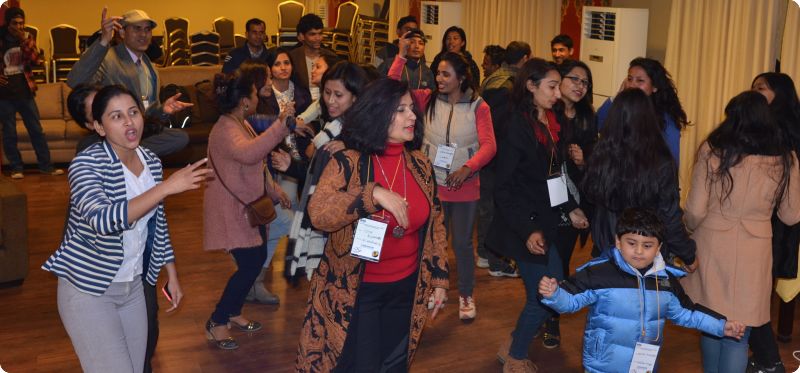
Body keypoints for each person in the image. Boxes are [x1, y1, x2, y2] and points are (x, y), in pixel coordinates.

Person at [42, 85, 208, 372]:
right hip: (88, 289)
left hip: (132, 287)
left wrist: (171, 273)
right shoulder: (86, 164)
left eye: (133, 112)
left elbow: (156, 224)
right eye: (116, 116)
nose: (129, 122)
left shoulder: (151, 162)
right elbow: (103, 220)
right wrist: (167, 187)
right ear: (99, 127)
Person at [295, 78, 449, 372]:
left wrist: (439, 278)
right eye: (401, 110)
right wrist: (372, 194)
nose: (412, 116)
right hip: (357, 291)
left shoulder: (420, 164)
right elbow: (319, 213)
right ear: (378, 113)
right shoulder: (348, 162)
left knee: (393, 364)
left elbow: (436, 225)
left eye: (411, 109)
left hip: (407, 288)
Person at [539, 208, 747, 373]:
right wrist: (554, 294)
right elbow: (571, 301)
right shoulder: (599, 273)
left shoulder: (665, 281)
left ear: (658, 248)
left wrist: (721, 326)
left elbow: (687, 313)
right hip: (603, 365)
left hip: (644, 365)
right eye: (632, 243)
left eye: (647, 245)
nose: (639, 251)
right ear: (618, 242)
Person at [681, 91, 800, 373]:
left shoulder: (713, 150)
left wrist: (687, 231)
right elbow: (791, 214)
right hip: (755, 248)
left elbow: (695, 210)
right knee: (739, 332)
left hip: (712, 243)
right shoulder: (785, 159)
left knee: (712, 325)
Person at [487, 58, 587, 373]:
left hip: (545, 221)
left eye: (558, 86)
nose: (558, 94)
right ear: (531, 86)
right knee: (545, 295)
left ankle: (514, 344)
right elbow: (503, 188)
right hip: (524, 225)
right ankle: (516, 356)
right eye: (552, 86)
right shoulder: (516, 125)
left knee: (551, 292)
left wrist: (570, 207)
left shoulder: (550, 120)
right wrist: (528, 229)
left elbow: (553, 174)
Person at [390, 33, 497, 322]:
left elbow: (490, 145)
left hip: (464, 187)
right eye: (437, 72)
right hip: (430, 186)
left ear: (461, 78)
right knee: (429, 242)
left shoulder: (479, 107)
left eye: (445, 74)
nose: (439, 78)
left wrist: (467, 168)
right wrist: (400, 56)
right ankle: (428, 288)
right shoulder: (426, 100)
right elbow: (390, 88)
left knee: (462, 243)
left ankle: (465, 294)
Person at [202, 71, 294, 350]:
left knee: (251, 264)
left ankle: (233, 312)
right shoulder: (225, 128)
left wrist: (273, 191)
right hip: (233, 212)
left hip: (249, 210)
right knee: (250, 265)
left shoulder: (237, 123)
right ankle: (217, 321)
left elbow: (256, 164)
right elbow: (250, 153)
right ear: (244, 101)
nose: (258, 96)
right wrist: (280, 125)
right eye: (255, 93)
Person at [582, 88, 696, 267]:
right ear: (648, 119)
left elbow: (591, 199)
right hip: (645, 254)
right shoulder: (661, 161)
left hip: (606, 251)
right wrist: (688, 255)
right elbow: (669, 215)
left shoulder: (600, 155)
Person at [280, 61, 368, 280]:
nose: (330, 100)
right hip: (328, 220)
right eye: (327, 93)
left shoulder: (364, 133)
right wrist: (289, 166)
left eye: (338, 95)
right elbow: (318, 180)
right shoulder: (333, 127)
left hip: (351, 223)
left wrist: (353, 149)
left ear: (355, 97)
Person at [66, 8, 190, 158]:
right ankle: (123, 153)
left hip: (138, 131)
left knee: (179, 138)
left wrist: (163, 110)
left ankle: (121, 154)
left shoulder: (151, 68)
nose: (143, 34)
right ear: (123, 33)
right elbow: (75, 81)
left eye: (147, 29)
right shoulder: (107, 58)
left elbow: (148, 114)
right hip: (114, 131)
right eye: (137, 29)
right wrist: (104, 41)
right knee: (87, 146)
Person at [539, 59, 598, 349]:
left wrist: (583, 161)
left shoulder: (589, 118)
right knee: (550, 260)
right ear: (559, 81)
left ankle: (549, 315)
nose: (579, 86)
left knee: (561, 260)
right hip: (551, 199)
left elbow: (596, 165)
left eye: (585, 82)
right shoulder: (548, 115)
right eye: (574, 79)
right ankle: (546, 315)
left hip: (579, 199)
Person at [748, 72, 800, 373]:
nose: (755, 92)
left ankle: (769, 359)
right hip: (765, 217)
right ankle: (764, 356)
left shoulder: (783, 128)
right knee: (756, 289)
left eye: (761, 88)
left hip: (775, 219)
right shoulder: (765, 123)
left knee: (755, 288)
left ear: (778, 93)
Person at [475, 40, 531, 277]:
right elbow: (500, 125)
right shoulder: (509, 85)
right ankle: (494, 260)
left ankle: (485, 255)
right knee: (494, 210)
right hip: (497, 155)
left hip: (484, 151)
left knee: (487, 207)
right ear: (525, 59)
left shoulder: (493, 77)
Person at [0, 7, 63, 179]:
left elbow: (36, 61)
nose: (19, 27)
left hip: (25, 93)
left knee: (36, 130)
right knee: (9, 133)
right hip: (4, 96)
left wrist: (23, 41)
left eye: (21, 23)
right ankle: (16, 168)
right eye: (15, 23)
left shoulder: (27, 38)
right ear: (8, 23)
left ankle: (46, 166)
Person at [596, 57, 688, 164]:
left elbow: (671, 162)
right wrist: (617, 96)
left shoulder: (666, 120)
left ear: (654, 87)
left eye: (640, 81)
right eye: (630, 79)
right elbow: (598, 125)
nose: (632, 85)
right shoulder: (624, 109)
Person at [289, 13, 335, 96]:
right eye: (312, 34)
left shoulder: (331, 57)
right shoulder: (292, 58)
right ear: (301, 36)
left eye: (320, 33)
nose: (318, 38)